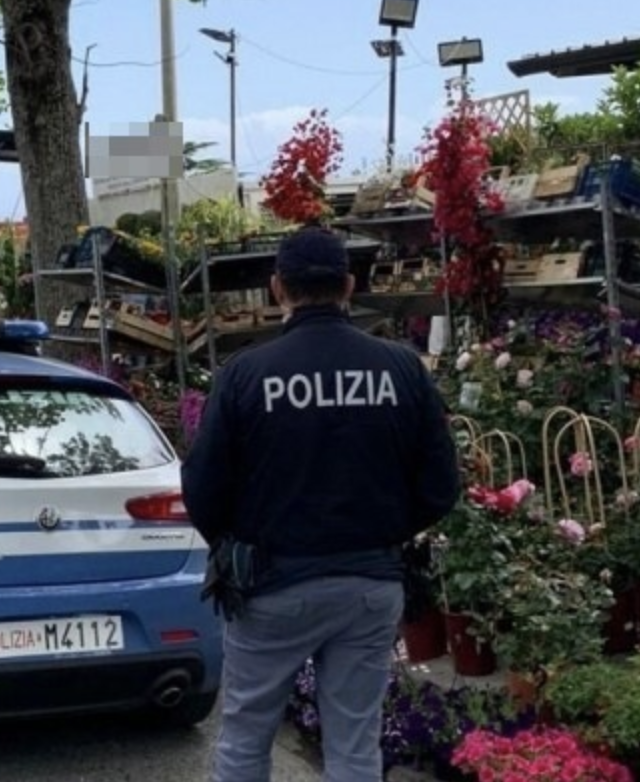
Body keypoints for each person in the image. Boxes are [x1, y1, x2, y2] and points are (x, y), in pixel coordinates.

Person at [182, 226, 461, 782]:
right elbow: (440, 485)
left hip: (271, 584)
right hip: (370, 583)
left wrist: (239, 542)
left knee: (244, 740)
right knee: (354, 745)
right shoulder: (402, 368)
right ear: (349, 286)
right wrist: (384, 530)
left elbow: (203, 488)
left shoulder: (245, 374)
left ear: (277, 288)